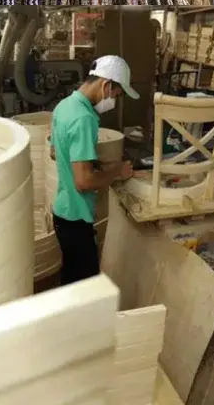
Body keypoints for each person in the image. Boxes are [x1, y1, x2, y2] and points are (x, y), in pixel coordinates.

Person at [50, 55, 137, 285]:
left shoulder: (64, 106)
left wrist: (93, 163)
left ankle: (65, 317)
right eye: (116, 94)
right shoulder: (84, 118)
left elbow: (54, 152)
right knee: (85, 287)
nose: (114, 101)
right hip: (77, 219)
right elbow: (84, 182)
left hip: (61, 212)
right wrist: (117, 171)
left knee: (70, 276)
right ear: (106, 84)